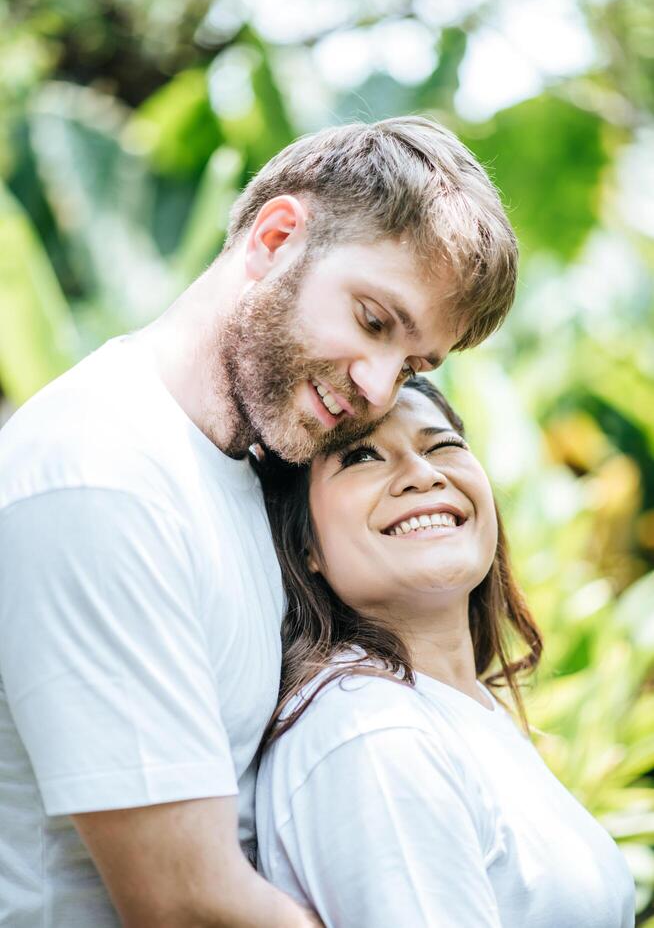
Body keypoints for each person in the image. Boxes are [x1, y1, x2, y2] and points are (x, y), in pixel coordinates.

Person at [0, 117, 518, 927]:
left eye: (414, 365)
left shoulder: (246, 470)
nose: (380, 389)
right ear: (276, 237)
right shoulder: (101, 473)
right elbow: (182, 902)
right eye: (374, 321)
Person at [256, 375, 636, 928]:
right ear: (305, 542)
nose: (422, 473)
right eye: (361, 455)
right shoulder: (371, 733)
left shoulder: (453, 707)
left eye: (443, 445)